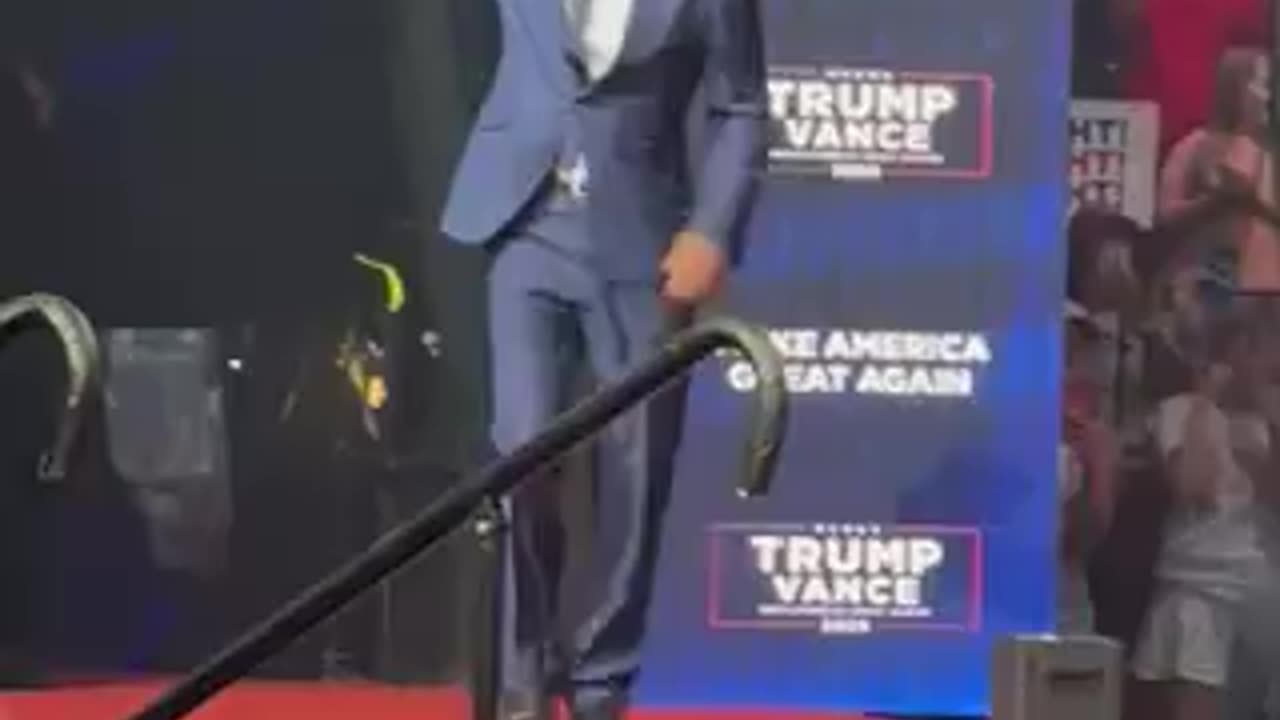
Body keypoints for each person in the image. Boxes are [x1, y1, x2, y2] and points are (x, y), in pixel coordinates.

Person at [439, 1, 766, 718]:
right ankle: (521, 679)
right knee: (518, 455)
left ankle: (600, 681)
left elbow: (741, 107)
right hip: (524, 222)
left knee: (636, 472)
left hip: (641, 241)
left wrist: (711, 231)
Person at [1129, 315, 1274, 720]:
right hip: (1198, 591)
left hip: (1262, 596)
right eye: (1261, 351)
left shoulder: (1266, 423)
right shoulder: (1179, 411)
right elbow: (1189, 484)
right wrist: (1206, 404)